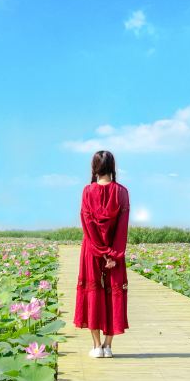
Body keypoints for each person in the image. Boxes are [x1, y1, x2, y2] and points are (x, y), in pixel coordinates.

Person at [73, 150, 130, 358]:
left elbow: (87, 225)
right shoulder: (122, 192)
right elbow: (122, 228)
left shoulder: (87, 191)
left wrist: (101, 251)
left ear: (94, 168)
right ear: (113, 167)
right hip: (116, 253)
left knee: (93, 294)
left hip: (91, 251)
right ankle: (108, 346)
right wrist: (113, 254)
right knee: (113, 294)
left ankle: (96, 346)